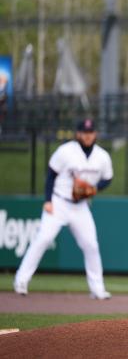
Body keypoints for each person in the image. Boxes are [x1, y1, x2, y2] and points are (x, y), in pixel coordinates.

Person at [14, 118, 113, 299]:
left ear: (95, 134)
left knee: (91, 245)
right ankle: (21, 280)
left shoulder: (102, 156)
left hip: (80, 206)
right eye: (84, 132)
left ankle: (98, 289)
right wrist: (47, 200)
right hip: (59, 202)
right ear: (78, 134)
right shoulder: (65, 151)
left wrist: (95, 188)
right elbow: (51, 175)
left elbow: (108, 178)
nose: (88, 135)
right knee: (43, 239)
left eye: (91, 132)